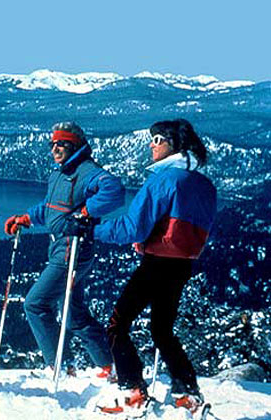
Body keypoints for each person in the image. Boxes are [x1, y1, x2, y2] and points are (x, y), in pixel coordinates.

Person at [95, 119, 217, 415]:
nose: (152, 144)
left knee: (117, 325)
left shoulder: (163, 180)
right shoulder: (205, 185)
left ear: (175, 145)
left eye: (159, 139)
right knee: (162, 330)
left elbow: (132, 229)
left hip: (156, 264)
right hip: (182, 265)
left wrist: (91, 230)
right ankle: (188, 391)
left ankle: (133, 390)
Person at [4, 122, 125, 378]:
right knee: (74, 315)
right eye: (53, 144)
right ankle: (109, 365)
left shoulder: (86, 171)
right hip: (61, 247)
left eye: (62, 143)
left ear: (74, 145)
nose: (55, 148)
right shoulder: (59, 174)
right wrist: (26, 218)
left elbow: (114, 191)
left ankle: (59, 367)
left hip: (72, 251)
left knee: (36, 305)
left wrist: (85, 213)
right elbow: (52, 209)